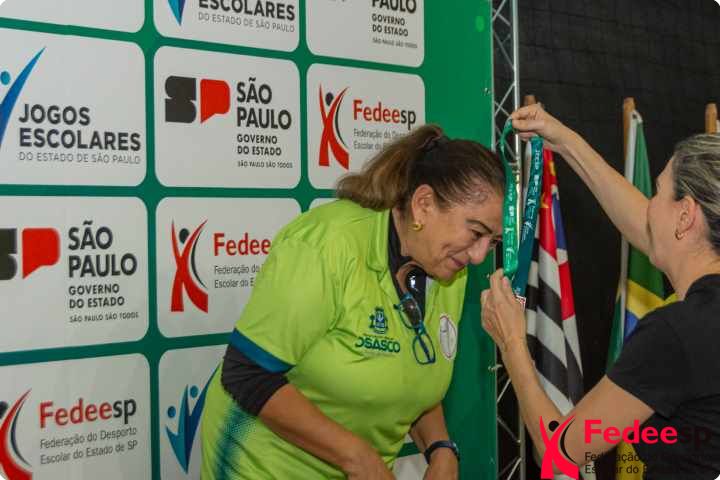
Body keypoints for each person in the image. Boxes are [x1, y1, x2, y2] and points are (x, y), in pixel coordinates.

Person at [200, 124, 505, 479]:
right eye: (476, 232)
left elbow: (411, 376)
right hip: (257, 466)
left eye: (493, 242)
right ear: (423, 205)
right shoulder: (327, 244)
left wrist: (440, 449)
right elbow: (247, 374)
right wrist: (357, 456)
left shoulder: (450, 269)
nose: (479, 255)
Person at [481, 104, 720, 479]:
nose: (648, 207)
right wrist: (566, 141)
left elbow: (561, 453)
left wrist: (511, 342)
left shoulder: (677, 335)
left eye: (657, 193)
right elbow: (646, 227)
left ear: (686, 214)